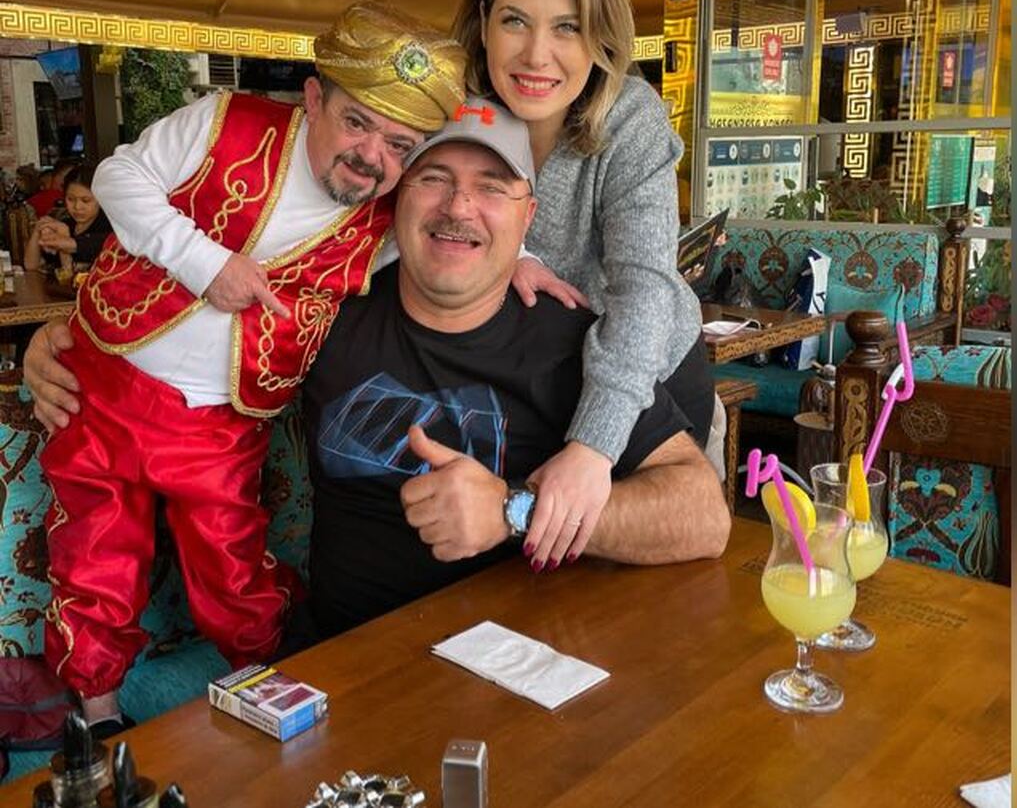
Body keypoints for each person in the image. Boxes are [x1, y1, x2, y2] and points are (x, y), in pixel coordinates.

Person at [26, 100, 732, 643]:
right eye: (434, 178)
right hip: (345, 664)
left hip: (524, 667)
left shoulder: (568, 341)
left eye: (491, 187)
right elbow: (184, 338)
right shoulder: (324, 315)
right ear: (395, 202)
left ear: (528, 217)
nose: (459, 207)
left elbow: (703, 516)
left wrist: (512, 511)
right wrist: (60, 345)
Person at [30, 2, 467, 732]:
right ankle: (98, 715)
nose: (372, 156)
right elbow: (118, 177)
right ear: (314, 98)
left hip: (223, 424)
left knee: (233, 571)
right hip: (103, 385)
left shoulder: (386, 218)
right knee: (93, 552)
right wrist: (204, 263)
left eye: (399, 144)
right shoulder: (224, 122)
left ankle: (274, 691)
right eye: (356, 123)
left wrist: (523, 259)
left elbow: (452, 234)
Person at [452, 0, 712, 571]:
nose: (537, 55)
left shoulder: (630, 118)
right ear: (483, 20)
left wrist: (593, 448)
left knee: (645, 579)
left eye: (568, 27)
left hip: (647, 373)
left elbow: (643, 288)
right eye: (515, 21)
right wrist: (514, 255)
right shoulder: (457, 111)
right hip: (537, 371)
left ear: (601, 36)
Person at [24, 163, 112, 275]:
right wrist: (39, 228)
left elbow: (69, 275)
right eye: (71, 199)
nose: (77, 207)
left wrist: (64, 238)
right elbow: (31, 265)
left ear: (100, 199)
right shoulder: (64, 223)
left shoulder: (109, 229)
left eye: (85, 200)